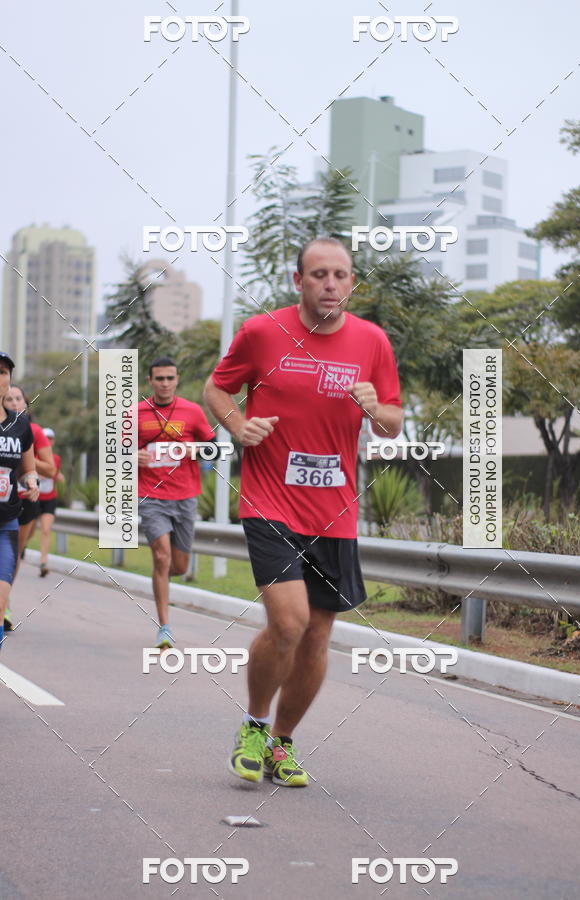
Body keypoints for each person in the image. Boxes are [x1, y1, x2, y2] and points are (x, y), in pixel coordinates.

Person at [204, 237, 403, 787]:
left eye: (341, 274)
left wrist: (376, 409)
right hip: (269, 500)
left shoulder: (372, 341)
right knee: (288, 623)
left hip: (334, 512)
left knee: (316, 635)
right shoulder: (263, 332)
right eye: (319, 274)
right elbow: (217, 388)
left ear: (352, 281)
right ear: (299, 281)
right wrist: (238, 426)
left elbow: (392, 422)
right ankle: (253, 724)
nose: (330, 284)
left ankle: (281, 743)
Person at [137, 356, 215, 649]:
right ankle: (165, 627)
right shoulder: (135, 413)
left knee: (178, 567)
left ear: (177, 380)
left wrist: (196, 448)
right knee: (161, 557)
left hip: (185, 496)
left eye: (170, 378)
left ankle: (161, 579)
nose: (165, 384)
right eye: (159, 378)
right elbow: (114, 452)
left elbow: (216, 449)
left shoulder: (192, 411)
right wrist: (131, 455)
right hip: (151, 496)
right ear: (150, 381)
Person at [3, 385, 56, 630]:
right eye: (9, 399)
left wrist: (24, 456)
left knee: (14, 554)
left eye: (19, 399)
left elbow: (50, 469)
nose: (15, 403)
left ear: (26, 404)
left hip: (24, 499)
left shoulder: (32, 431)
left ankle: (5, 601)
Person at [0, 353, 39, 651]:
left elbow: (28, 469)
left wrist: (32, 482)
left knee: (1, 598)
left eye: (3, 372)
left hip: (6, 522)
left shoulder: (20, 424)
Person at [37, 427, 65, 577]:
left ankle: (43, 563)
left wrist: (58, 476)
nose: (47, 441)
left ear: (53, 441)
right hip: (33, 498)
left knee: (46, 530)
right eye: (45, 438)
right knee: (28, 532)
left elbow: (56, 473)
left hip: (49, 498)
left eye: (50, 439)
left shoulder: (56, 459)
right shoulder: (33, 456)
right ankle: (22, 547)